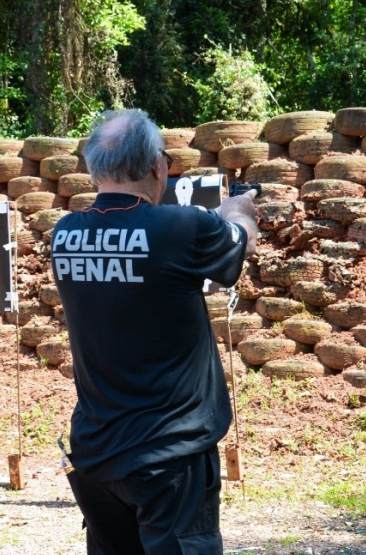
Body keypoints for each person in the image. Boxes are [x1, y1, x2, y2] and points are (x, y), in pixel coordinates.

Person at [51, 109, 258, 554]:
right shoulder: (183, 226)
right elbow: (233, 256)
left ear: (92, 168)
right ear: (157, 166)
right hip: (170, 457)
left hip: (96, 451)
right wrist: (238, 210)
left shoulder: (65, 233)